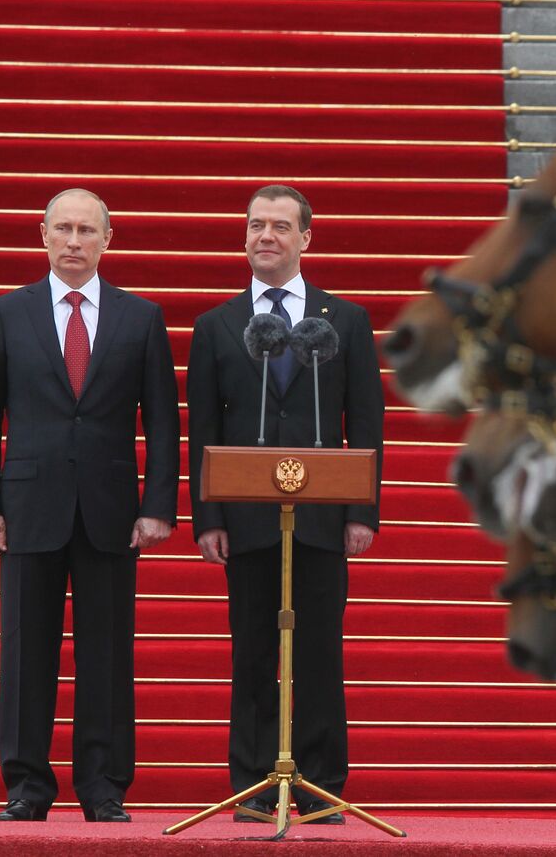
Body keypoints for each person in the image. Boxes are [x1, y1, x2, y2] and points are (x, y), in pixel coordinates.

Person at [0, 189, 180, 822]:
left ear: (107, 240)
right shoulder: (8, 313)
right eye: (64, 229)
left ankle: (103, 784)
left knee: (108, 653)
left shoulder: (141, 318)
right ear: (43, 235)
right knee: (26, 653)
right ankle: (27, 785)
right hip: (27, 506)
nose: (75, 240)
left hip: (112, 509)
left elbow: (163, 424)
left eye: (88, 230)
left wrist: (158, 504)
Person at [186, 185, 384, 823]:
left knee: (321, 651)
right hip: (246, 518)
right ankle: (250, 783)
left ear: (306, 238)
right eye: (254, 225)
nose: (264, 236)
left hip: (324, 515)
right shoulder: (216, 325)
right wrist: (208, 515)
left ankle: (321, 786)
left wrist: (362, 510)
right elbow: (204, 431)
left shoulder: (345, 319)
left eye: (278, 226)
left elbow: (369, 421)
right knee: (251, 651)